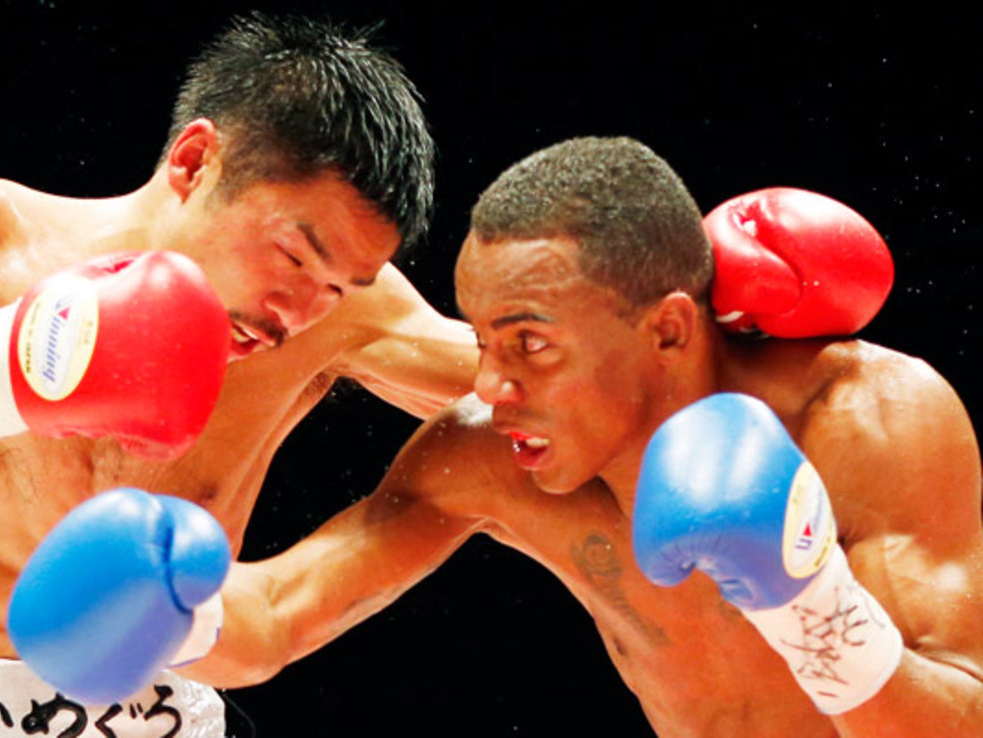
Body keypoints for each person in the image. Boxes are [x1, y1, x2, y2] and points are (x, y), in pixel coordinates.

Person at [0, 14, 476, 737]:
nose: (296, 313)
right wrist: (12, 370)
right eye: (294, 257)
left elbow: (549, 394)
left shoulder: (329, 316)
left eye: (339, 287)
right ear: (194, 161)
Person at [185, 137, 983, 736]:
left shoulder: (863, 421)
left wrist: (814, 606)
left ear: (668, 330)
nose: (490, 385)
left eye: (529, 344)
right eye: (484, 342)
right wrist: (149, 599)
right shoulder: (486, 455)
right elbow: (279, 615)